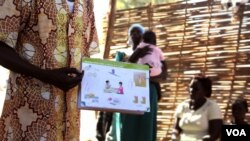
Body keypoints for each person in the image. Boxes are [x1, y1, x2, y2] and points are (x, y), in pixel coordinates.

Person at [0, 0, 98, 140]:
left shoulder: (87, 3)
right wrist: (44, 75)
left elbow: (85, 52)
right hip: (29, 116)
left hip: (70, 119)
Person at [171, 75, 223, 141]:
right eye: (190, 87)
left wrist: (208, 138)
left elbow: (215, 134)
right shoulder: (183, 106)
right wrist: (174, 136)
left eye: (196, 89)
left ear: (205, 91)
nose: (191, 90)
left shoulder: (212, 107)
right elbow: (176, 128)